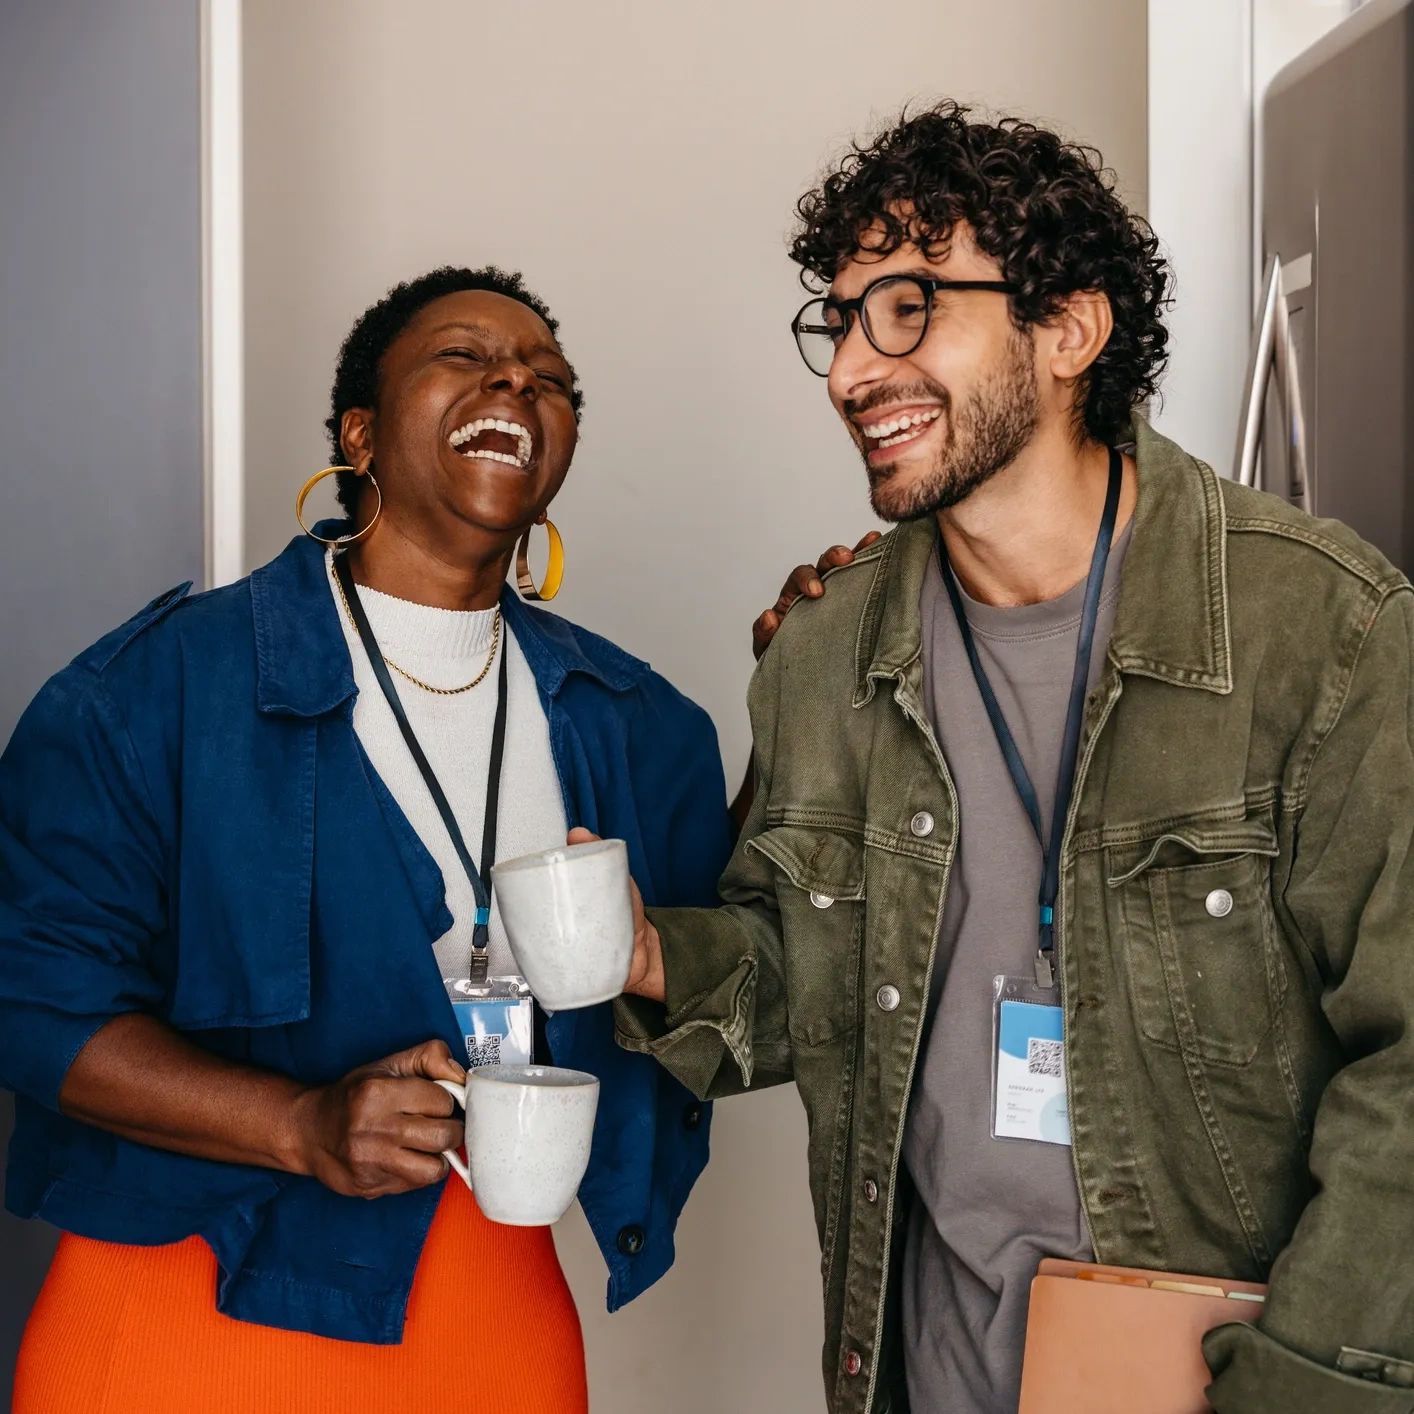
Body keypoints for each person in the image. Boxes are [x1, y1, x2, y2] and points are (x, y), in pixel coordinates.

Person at [614, 102, 1414, 1413]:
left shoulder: (1319, 634)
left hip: (1230, 1377)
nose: (847, 371)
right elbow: (806, 972)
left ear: (1067, 329)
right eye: (840, 317)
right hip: (926, 1372)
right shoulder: (823, 661)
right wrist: (657, 960)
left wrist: (1295, 1386)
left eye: (909, 305)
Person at [0, 265, 736, 1414]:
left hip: (491, 1329)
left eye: (550, 378)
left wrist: (818, 680)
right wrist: (295, 1125)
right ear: (359, 435)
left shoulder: (640, 726)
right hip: (179, 1325)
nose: (514, 378)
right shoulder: (156, 690)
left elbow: (738, 979)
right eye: (463, 355)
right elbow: (30, 1004)